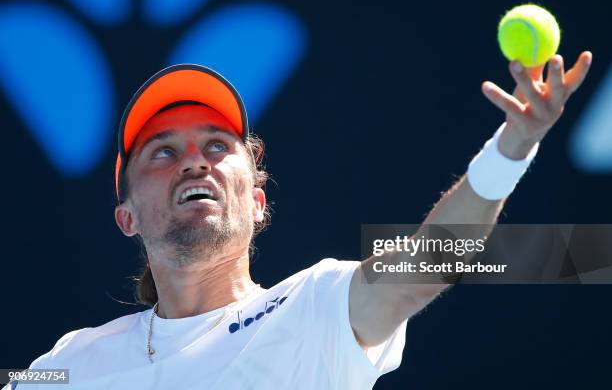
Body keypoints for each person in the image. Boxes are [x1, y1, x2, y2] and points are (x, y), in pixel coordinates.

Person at [9, 52, 592, 390]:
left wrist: (511, 150)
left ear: (257, 204)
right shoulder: (64, 366)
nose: (193, 160)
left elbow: (425, 266)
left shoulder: (316, 306)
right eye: (162, 152)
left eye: (216, 145)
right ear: (126, 216)